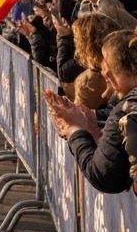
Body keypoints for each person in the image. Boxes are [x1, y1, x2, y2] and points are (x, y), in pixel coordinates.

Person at [44, 30, 137, 194]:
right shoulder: (123, 108)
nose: (104, 72)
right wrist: (92, 133)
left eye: (108, 65)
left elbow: (103, 174)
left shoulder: (126, 109)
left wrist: (74, 130)